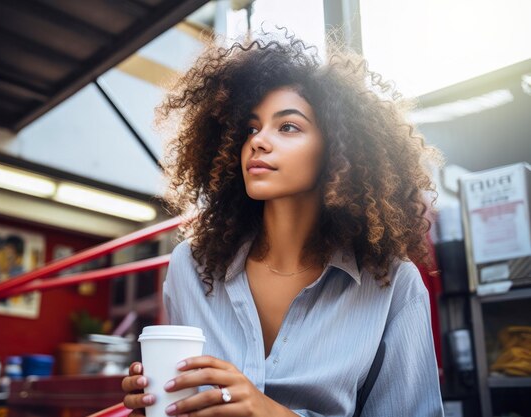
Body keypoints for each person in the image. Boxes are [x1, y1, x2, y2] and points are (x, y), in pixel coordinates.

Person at [122, 30, 445, 417]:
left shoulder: (392, 284)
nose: (258, 142)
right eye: (250, 129)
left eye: (288, 126)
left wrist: (266, 411)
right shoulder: (190, 267)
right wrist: (156, 404)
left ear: (338, 151)